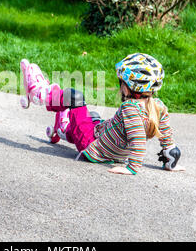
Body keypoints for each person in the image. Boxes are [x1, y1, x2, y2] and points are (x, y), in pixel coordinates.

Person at [19, 53, 185, 175]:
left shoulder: (130, 108)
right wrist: (171, 163)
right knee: (94, 118)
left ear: (126, 87)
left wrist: (130, 168)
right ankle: (62, 128)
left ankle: (37, 93)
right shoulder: (158, 107)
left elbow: (138, 140)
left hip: (91, 145)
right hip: (104, 142)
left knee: (75, 97)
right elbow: (168, 142)